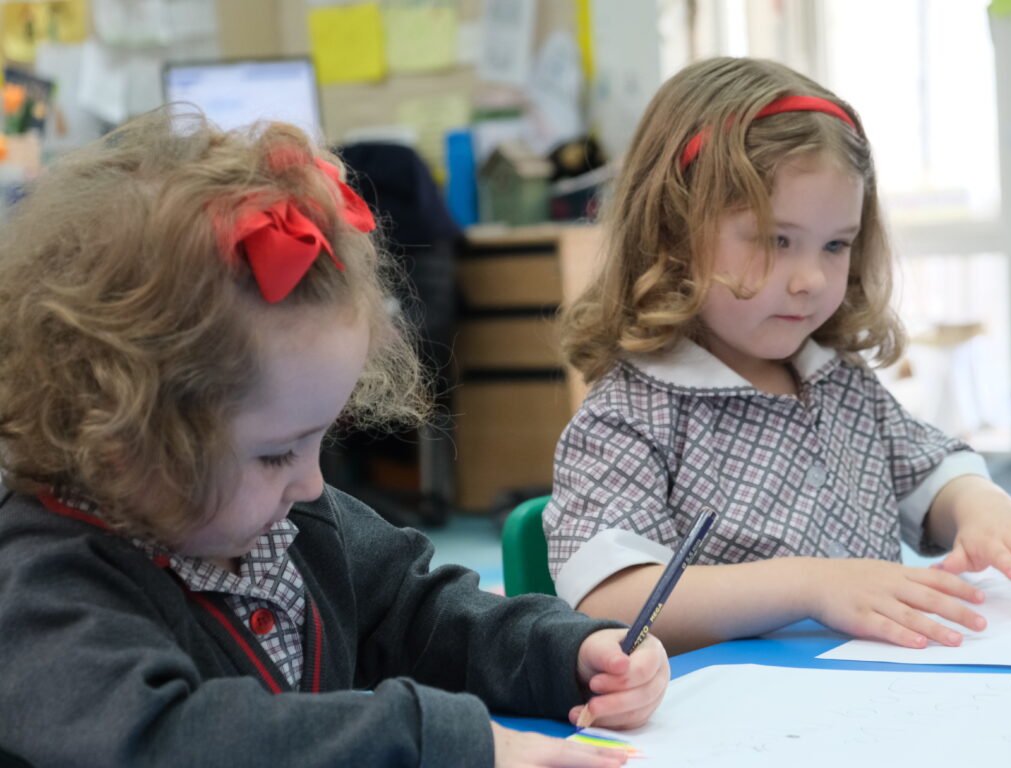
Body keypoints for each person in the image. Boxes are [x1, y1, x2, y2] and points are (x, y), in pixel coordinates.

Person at [0, 108, 669, 768]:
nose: (315, 484)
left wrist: (566, 653)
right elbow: (170, 740)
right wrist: (447, 742)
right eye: (274, 453)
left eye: (321, 437)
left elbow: (417, 612)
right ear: (121, 438)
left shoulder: (287, 517)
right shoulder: (42, 591)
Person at [545, 56, 1011, 656]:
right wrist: (810, 584)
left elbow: (933, 472)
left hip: (869, 695)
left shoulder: (835, 377)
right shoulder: (629, 415)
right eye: (777, 239)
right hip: (724, 717)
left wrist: (983, 508)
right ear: (672, 229)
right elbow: (610, 601)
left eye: (834, 245)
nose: (811, 280)